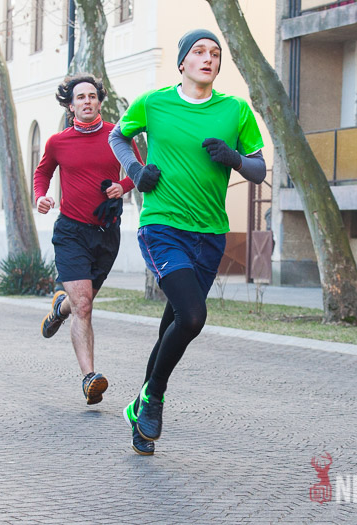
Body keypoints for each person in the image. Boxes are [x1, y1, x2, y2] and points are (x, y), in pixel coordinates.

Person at [109, 29, 266, 455]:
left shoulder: (235, 110)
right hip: (162, 226)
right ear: (183, 63)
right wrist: (135, 171)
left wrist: (235, 158)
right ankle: (154, 397)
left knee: (173, 324)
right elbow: (117, 136)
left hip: (210, 234)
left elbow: (258, 169)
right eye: (199, 52)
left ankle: (139, 414)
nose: (208, 58)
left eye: (215, 53)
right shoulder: (154, 102)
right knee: (193, 316)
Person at [34, 73, 141, 410]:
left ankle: (59, 308)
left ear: (99, 101)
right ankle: (89, 378)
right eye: (80, 97)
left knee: (81, 301)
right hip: (71, 231)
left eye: (92, 96)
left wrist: (123, 186)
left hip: (107, 231)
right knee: (83, 305)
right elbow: (42, 173)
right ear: (70, 105)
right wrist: (41, 196)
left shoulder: (117, 135)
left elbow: (138, 170)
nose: (87, 101)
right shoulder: (58, 142)